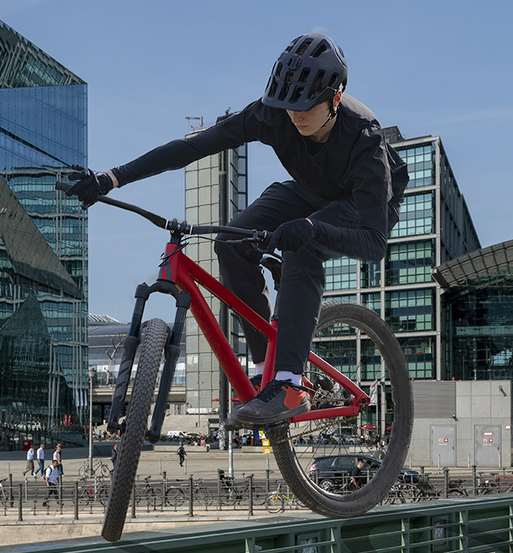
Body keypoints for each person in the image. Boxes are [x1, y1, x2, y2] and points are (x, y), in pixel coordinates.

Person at [69, 32, 407, 428]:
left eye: (305, 108)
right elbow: (191, 148)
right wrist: (111, 178)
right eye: (287, 107)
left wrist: (314, 230)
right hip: (310, 189)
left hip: (362, 204)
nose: (294, 117)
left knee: (303, 246)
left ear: (334, 99)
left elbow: (374, 243)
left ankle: (289, 384)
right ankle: (267, 367)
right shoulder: (272, 113)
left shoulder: (364, 140)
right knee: (231, 241)